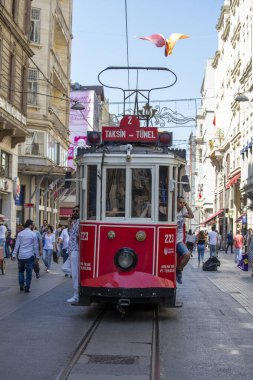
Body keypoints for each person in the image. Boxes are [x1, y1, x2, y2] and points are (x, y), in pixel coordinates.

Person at [11, 219, 39, 293]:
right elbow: (36, 246)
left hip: (21, 255)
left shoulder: (20, 234)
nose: (33, 226)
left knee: (21, 271)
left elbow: (17, 245)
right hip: (30, 255)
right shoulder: (33, 234)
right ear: (30, 225)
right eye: (32, 225)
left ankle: (21, 284)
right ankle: (27, 287)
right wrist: (37, 256)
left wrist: (14, 254)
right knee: (29, 272)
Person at [176, 196, 194, 284]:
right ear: (176, 202)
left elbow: (191, 215)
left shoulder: (182, 212)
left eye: (183, 203)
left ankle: (178, 270)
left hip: (178, 242)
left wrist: (186, 205)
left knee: (187, 255)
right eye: (180, 202)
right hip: (170, 241)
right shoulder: (172, 212)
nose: (182, 204)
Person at [67, 205, 80, 303]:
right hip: (72, 250)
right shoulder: (74, 222)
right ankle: (76, 294)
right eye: (73, 211)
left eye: (76, 211)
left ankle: (76, 295)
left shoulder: (79, 222)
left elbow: (78, 237)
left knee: (75, 273)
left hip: (76, 250)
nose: (74, 212)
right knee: (73, 272)